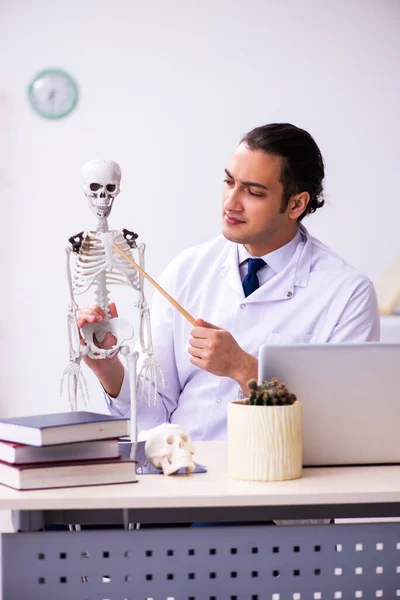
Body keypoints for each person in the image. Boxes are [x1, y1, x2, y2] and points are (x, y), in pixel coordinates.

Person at [78, 123, 380, 441]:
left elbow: (340, 430)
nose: (231, 203)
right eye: (229, 181)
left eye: (253, 192)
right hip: (184, 470)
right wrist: (108, 369)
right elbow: (154, 414)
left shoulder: (347, 295)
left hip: (277, 479)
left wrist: (245, 369)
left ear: (296, 204)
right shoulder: (186, 270)